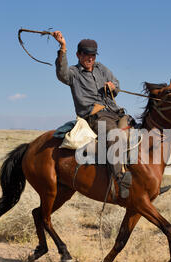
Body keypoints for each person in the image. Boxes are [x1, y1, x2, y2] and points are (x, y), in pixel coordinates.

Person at [53, 31, 132, 198]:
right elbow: (62, 74)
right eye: (87, 55)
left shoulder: (101, 68)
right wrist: (63, 47)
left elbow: (117, 85)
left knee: (137, 133)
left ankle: (143, 181)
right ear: (78, 55)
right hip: (95, 116)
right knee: (114, 136)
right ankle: (120, 181)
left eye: (93, 55)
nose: (90, 58)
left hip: (114, 112)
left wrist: (113, 87)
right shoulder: (73, 73)